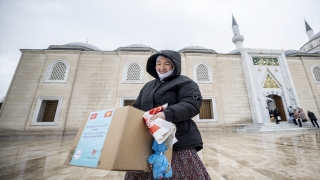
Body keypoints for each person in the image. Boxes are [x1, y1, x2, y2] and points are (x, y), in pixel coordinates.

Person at [124, 50, 211, 179]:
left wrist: (166, 114)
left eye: (167, 64)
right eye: (158, 64)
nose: (162, 67)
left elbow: (191, 105)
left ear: (174, 65)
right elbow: (137, 108)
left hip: (177, 142)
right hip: (148, 141)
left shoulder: (185, 82)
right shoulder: (148, 86)